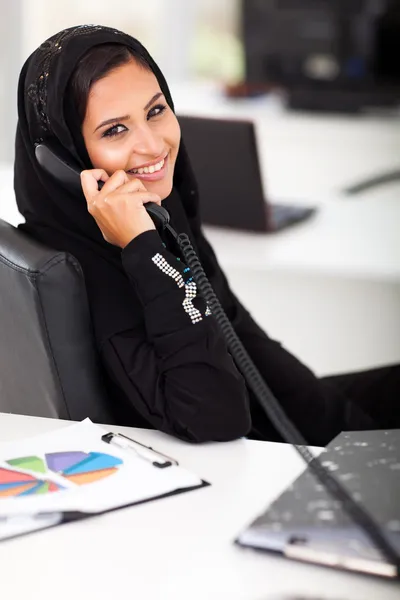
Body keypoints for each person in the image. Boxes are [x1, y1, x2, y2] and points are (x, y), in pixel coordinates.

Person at [14, 25, 400, 446]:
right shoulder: (89, 272)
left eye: (156, 111)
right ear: (61, 159)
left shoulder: (163, 209)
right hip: (251, 466)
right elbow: (215, 415)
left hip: (271, 420)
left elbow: (243, 341)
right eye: (114, 130)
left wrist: (354, 435)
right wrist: (144, 250)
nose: (152, 145)